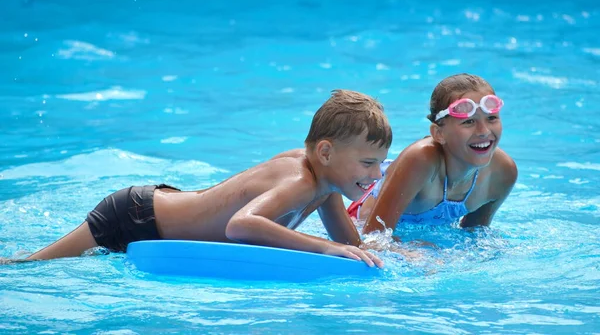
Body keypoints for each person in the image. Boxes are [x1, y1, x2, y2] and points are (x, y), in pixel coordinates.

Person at [26, 90, 391, 268]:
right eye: (367, 163)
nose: (376, 175)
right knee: (31, 268)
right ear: (326, 153)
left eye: (380, 164)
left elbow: (351, 243)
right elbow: (241, 225)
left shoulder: (324, 186)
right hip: (134, 216)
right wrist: (322, 247)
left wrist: (396, 251)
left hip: (157, 217)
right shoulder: (300, 180)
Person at [347, 73, 517, 235]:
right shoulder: (420, 160)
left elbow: (473, 237)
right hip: (359, 224)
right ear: (439, 134)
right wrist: (415, 252)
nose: (483, 131)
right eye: (469, 122)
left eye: (492, 118)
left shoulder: (502, 173)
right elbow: (374, 237)